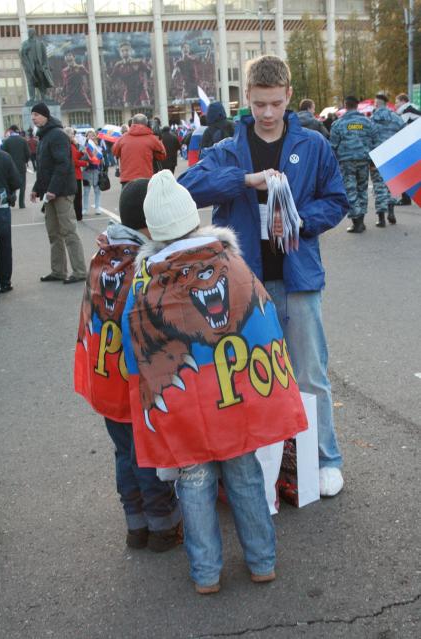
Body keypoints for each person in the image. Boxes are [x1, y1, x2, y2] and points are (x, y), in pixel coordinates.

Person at [122, 170, 307, 593]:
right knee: (244, 476)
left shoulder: (145, 280)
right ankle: (262, 562)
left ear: (151, 229)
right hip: (236, 397)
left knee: (195, 482)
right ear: (194, 218)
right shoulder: (231, 262)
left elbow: (139, 352)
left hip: (185, 407)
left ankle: (206, 575)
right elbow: (265, 329)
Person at [179, 55, 349, 497]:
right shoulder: (227, 146)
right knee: (244, 377)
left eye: (275, 103)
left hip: (298, 279)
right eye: (259, 104)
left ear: (289, 96)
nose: (268, 113)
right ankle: (255, 465)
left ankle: (325, 458)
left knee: (310, 374)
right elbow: (189, 188)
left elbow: (336, 200)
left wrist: (299, 221)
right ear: (247, 100)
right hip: (242, 284)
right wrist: (245, 180)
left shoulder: (313, 144)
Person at [74, 178, 182, 551]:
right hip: (136, 384)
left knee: (124, 454)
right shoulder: (146, 267)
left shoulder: (103, 256)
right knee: (148, 455)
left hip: (107, 381)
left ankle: (135, 526)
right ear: (152, 223)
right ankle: (163, 527)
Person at [30, 102, 86, 284]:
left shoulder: (56, 135)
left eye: (36, 115)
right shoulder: (44, 136)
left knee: (69, 232)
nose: (33, 118)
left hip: (61, 192)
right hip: (50, 193)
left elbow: (63, 164)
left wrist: (52, 190)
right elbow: (44, 168)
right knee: (53, 233)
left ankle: (79, 272)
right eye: (32, 116)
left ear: (46, 116)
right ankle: (58, 271)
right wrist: (36, 189)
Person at [330, 95, 379, 233]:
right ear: (357, 106)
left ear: (345, 105)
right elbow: (375, 141)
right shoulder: (368, 122)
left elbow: (332, 146)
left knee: (350, 190)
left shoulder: (338, 124)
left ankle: (356, 222)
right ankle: (360, 221)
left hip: (346, 162)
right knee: (362, 189)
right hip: (363, 160)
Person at [370, 94, 404, 227]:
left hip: (377, 157)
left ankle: (381, 218)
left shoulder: (371, 120)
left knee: (379, 187)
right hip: (393, 156)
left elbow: (367, 137)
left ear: (377, 104)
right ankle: (391, 212)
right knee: (392, 186)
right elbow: (404, 135)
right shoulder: (396, 118)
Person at [0, 144, 21, 299]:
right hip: (1, 206)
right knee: (5, 246)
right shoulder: (4, 157)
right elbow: (16, 182)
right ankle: (5, 281)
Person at [112, 114, 166, 187]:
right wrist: (158, 139)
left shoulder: (122, 138)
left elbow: (115, 152)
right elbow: (162, 155)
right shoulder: (152, 138)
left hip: (127, 179)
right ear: (147, 124)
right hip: (146, 178)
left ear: (132, 124)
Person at [394, 93, 421, 205]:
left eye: (397, 102)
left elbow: (399, 125)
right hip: (415, 143)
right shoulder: (413, 109)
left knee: (405, 171)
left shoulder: (407, 110)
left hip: (410, 144)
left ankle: (405, 198)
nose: (395, 104)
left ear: (403, 101)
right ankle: (406, 197)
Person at [111, 42, 151, 108]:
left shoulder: (138, 62)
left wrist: (147, 83)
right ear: (120, 53)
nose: (124, 52)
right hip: (128, 90)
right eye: (122, 51)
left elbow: (148, 71)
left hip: (141, 89)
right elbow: (112, 78)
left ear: (131, 51)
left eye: (126, 50)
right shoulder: (118, 65)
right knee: (127, 109)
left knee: (147, 107)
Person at [19, 28, 54, 101]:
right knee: (30, 81)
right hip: (30, 66)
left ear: (34, 33)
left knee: (41, 80)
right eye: (28, 32)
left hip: (39, 65)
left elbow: (44, 56)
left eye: (30, 32)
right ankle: (32, 97)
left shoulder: (40, 43)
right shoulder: (25, 43)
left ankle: (43, 96)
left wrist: (45, 65)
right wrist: (25, 50)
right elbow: (21, 54)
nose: (29, 34)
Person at [2, 125, 30, 209]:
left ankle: (12, 198)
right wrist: (25, 161)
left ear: (11, 131)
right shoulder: (23, 140)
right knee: (22, 185)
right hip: (21, 166)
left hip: (10, 166)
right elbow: (28, 153)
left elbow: (3, 154)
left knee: (11, 183)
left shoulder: (6, 141)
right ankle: (21, 203)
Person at [64, 127, 88, 222]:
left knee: (73, 197)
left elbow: (74, 156)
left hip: (72, 174)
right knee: (77, 197)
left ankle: (77, 214)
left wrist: (81, 153)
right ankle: (78, 215)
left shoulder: (69, 145)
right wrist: (85, 163)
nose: (74, 136)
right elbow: (74, 162)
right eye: (73, 134)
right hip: (75, 174)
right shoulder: (70, 145)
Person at [82, 129, 104, 216]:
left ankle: (97, 207)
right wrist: (87, 155)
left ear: (95, 136)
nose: (90, 137)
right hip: (87, 171)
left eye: (92, 135)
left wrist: (100, 159)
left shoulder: (99, 147)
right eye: (89, 135)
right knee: (86, 191)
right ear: (86, 137)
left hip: (96, 171)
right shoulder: (83, 147)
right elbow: (81, 159)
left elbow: (102, 160)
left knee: (97, 191)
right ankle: (85, 209)